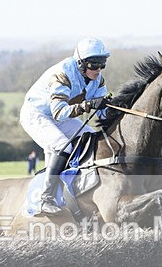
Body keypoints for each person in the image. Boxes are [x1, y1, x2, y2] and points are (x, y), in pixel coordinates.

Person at [19, 37, 111, 215]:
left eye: (102, 64)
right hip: (36, 114)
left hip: (59, 117)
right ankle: (44, 198)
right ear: (80, 64)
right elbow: (59, 113)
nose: (98, 70)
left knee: (91, 137)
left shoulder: (98, 80)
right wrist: (87, 105)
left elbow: (103, 115)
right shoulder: (63, 74)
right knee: (62, 145)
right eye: (93, 65)